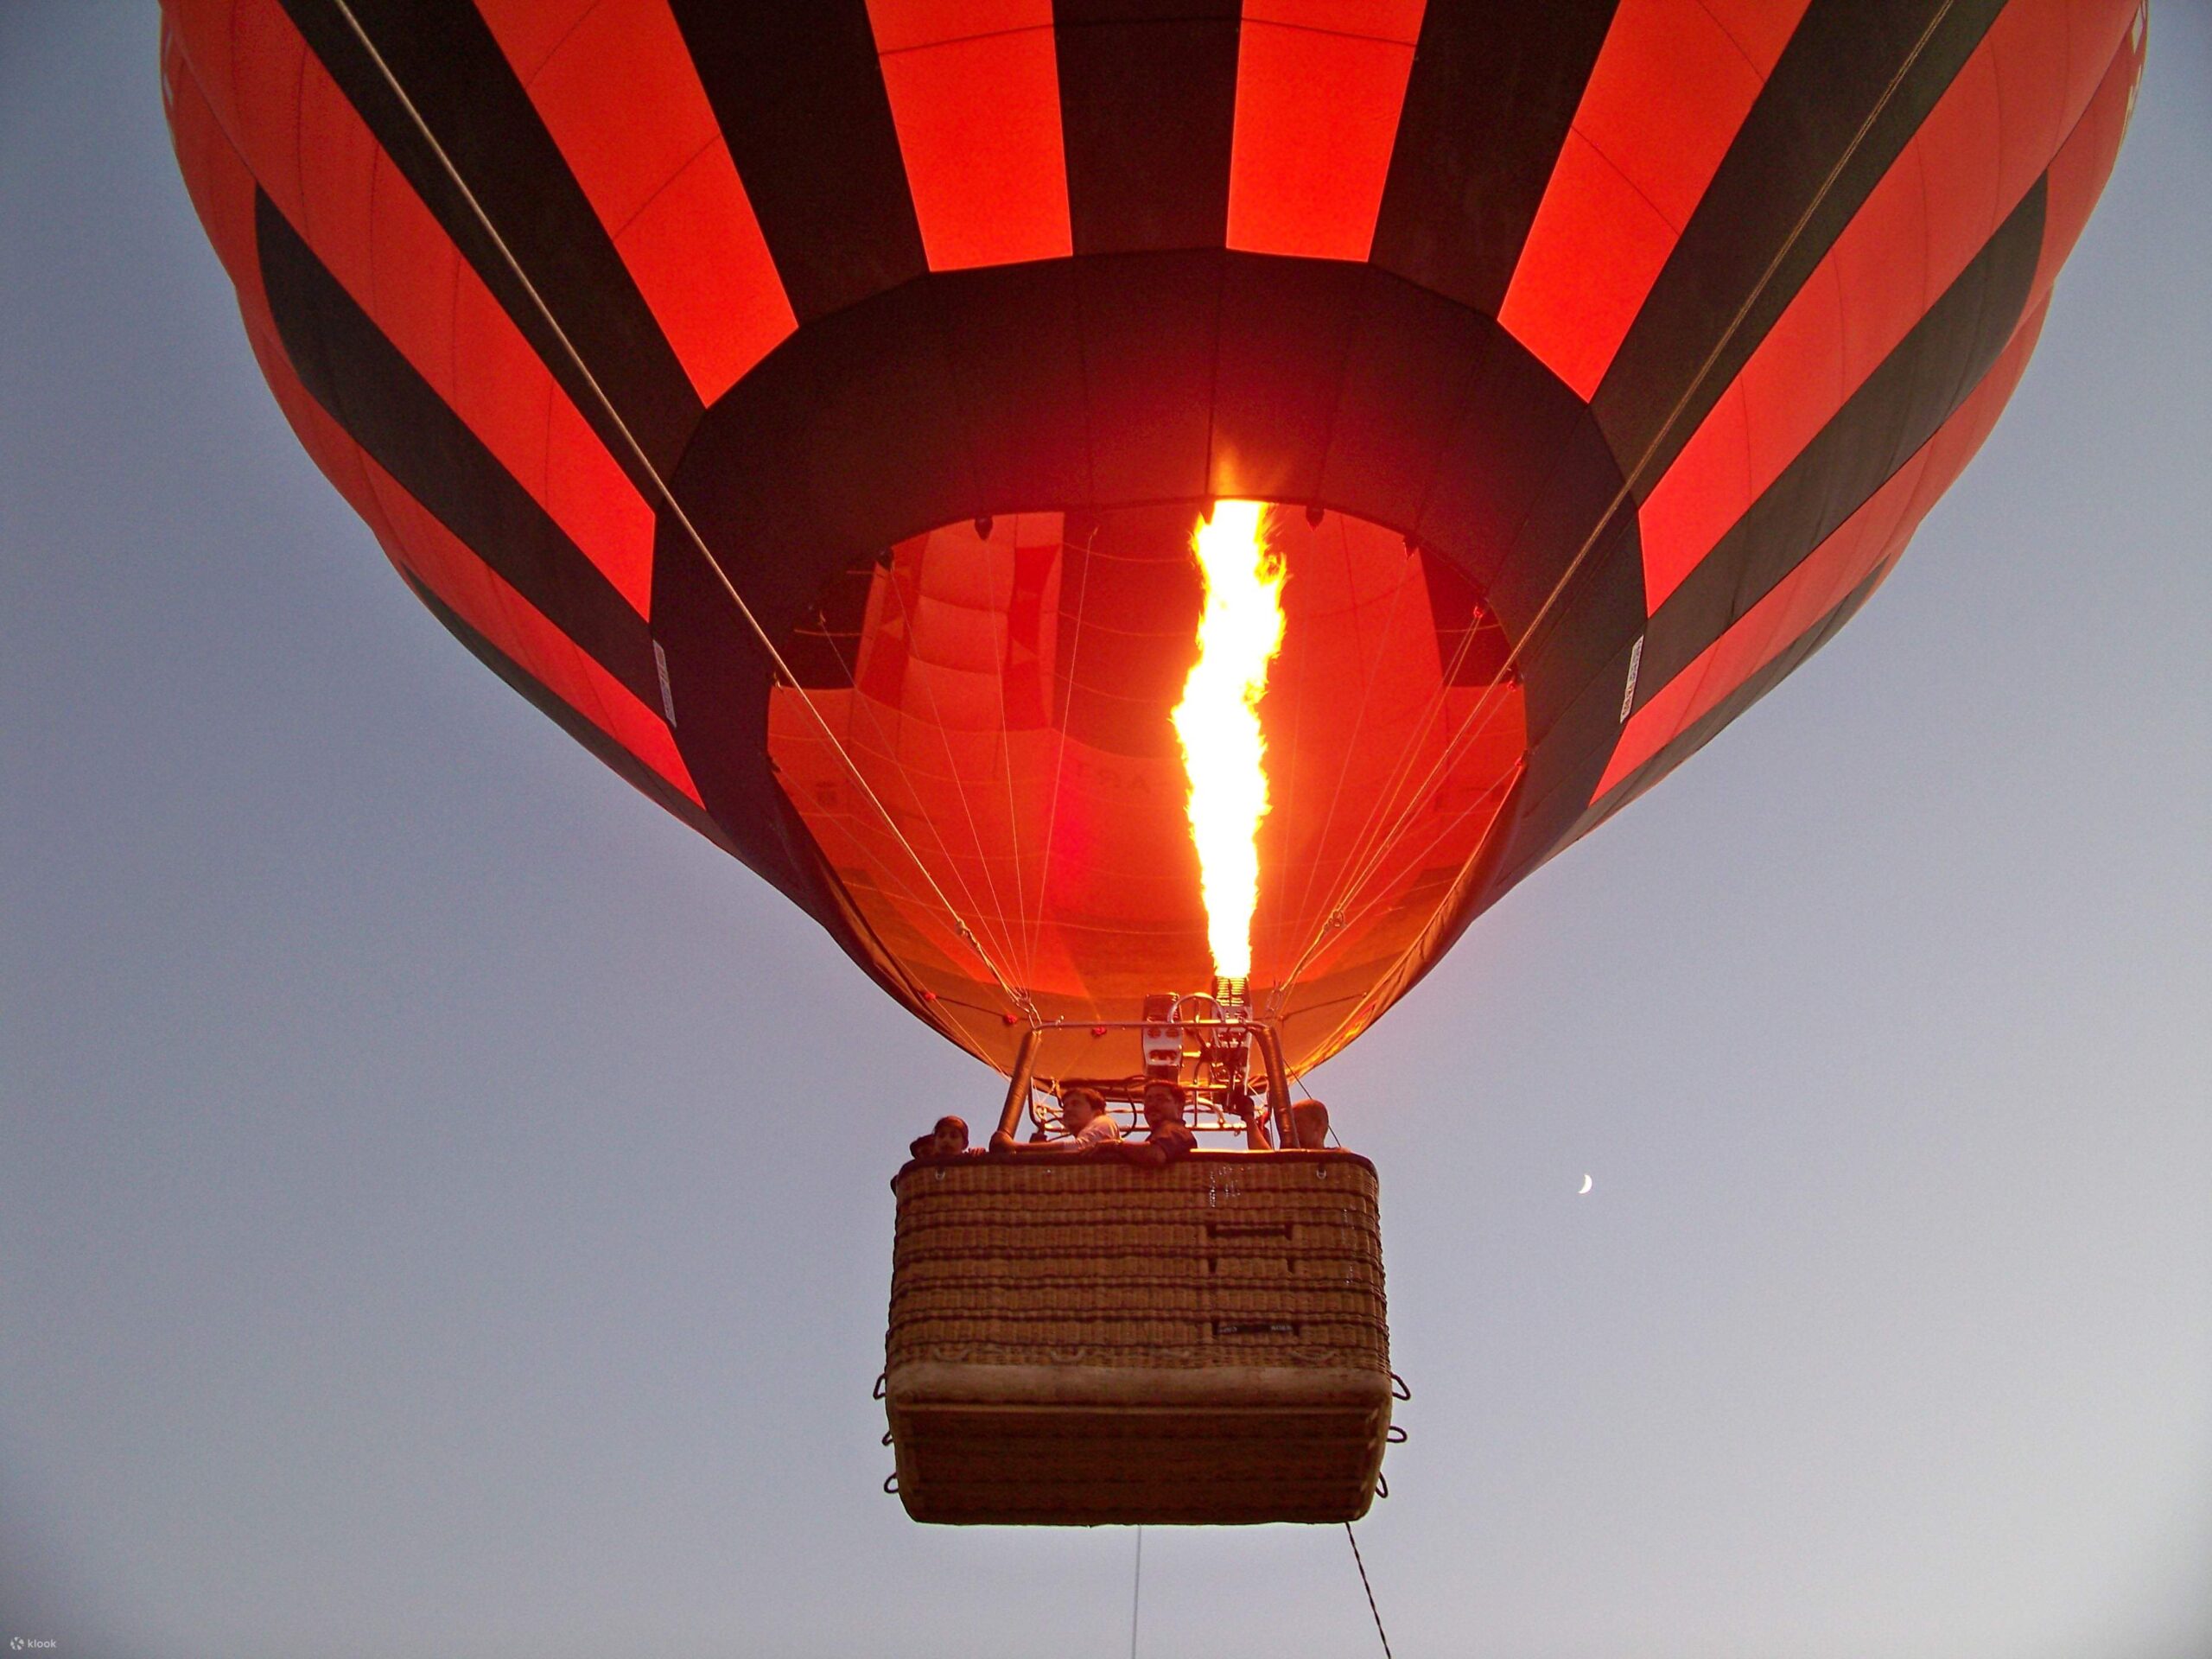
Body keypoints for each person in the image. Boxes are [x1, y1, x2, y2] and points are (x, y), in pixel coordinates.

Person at [991, 1085, 1122, 1153]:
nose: (1068, 1110)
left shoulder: (1104, 1121)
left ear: (1096, 1111)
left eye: (1076, 1104)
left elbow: (1081, 1147)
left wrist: (1015, 1146)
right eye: (1065, 1107)